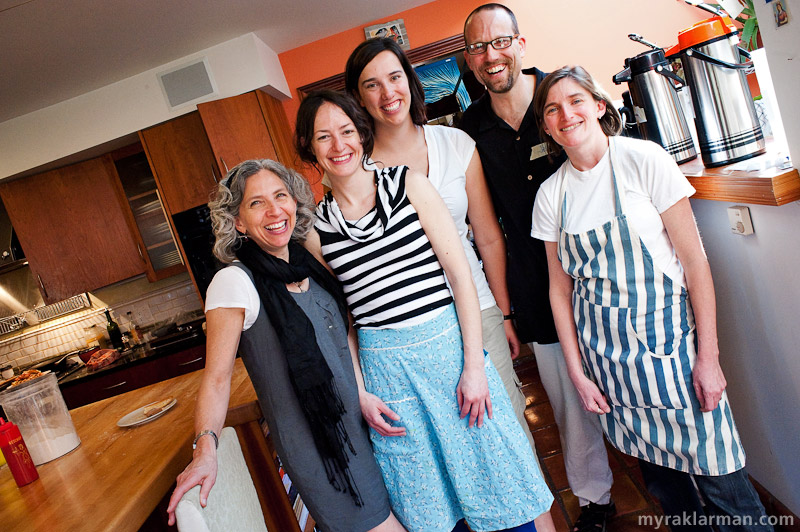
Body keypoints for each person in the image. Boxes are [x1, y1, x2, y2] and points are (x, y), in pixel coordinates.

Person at [295, 89, 554, 532]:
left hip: (451, 357)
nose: (339, 146)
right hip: (388, 377)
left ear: (361, 134)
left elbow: (460, 281)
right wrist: (359, 390)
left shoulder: (410, 184)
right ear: (309, 147)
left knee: (499, 482)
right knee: (428, 504)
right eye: (323, 137)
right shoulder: (317, 232)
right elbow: (342, 324)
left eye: (346, 132)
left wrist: (474, 365)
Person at [531, 65, 773, 532]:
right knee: (666, 489)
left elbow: (695, 263)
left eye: (576, 101)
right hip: (613, 368)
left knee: (728, 491)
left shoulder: (644, 160)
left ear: (600, 106)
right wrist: (579, 376)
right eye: (552, 109)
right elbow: (559, 292)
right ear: (545, 125)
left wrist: (709, 358)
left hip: (674, 356)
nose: (566, 114)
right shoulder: (551, 195)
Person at [164, 159, 405, 532]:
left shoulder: (309, 263)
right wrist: (204, 449)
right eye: (256, 203)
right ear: (239, 221)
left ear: (295, 203)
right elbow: (216, 378)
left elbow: (342, 338)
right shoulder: (234, 282)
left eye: (281, 196)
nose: (275, 210)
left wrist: (359, 393)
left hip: (360, 427)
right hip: (322, 449)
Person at [342, 37, 542, 479]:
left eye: (395, 77)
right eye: (371, 85)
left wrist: (504, 314)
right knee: (457, 442)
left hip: (479, 309)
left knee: (508, 429)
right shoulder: (357, 169)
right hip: (412, 327)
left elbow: (488, 238)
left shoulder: (455, 143)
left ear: (410, 83)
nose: (387, 92)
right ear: (358, 98)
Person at [460, 5, 615, 531]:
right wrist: (505, 312)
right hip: (533, 284)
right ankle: (595, 497)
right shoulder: (470, 128)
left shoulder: (562, 96)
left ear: (520, 43)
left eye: (499, 41)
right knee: (570, 403)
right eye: (478, 47)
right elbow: (483, 227)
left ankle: (665, 473)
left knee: (630, 378)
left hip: (603, 270)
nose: (490, 55)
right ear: (470, 59)